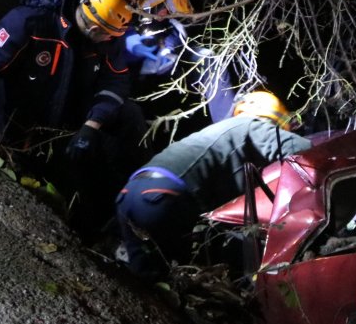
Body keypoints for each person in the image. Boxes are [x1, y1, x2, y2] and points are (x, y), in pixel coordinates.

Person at [0, 0, 144, 175]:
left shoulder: (107, 40)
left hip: (66, 124)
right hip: (15, 122)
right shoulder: (27, 22)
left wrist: (92, 124)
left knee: (129, 113)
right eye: (109, 35)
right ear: (94, 29)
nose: (112, 40)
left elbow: (116, 79)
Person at [114, 90, 312, 279]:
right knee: (186, 278)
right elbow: (305, 151)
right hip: (166, 196)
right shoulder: (251, 125)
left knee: (148, 282)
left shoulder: (221, 134)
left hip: (130, 193)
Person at [79, 0, 238, 122]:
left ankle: (229, 127)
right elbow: (85, 37)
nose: (133, 3)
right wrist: (128, 42)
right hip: (111, 47)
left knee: (208, 60)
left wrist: (169, 43)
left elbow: (184, 18)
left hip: (157, 37)